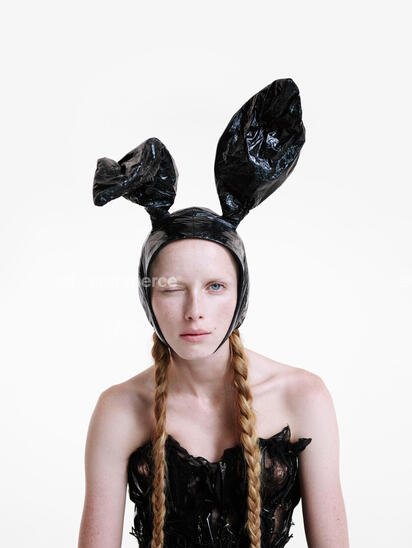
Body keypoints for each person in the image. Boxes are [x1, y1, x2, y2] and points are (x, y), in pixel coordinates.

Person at [78, 78, 349, 548]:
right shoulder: (119, 410)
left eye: (215, 287)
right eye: (171, 289)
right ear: (148, 299)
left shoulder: (303, 397)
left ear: (240, 296)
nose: (194, 312)